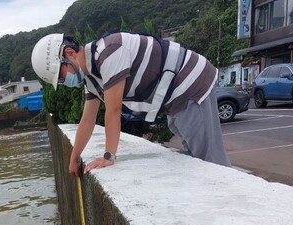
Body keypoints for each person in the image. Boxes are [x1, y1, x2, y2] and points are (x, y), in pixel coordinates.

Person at [31, 32, 231, 176]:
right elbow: (87, 120)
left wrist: (109, 156)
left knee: (210, 160)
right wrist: (74, 158)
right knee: (196, 156)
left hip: (191, 85)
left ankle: (230, 209)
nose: (64, 83)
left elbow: (113, 110)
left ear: (69, 54)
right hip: (174, 97)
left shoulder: (108, 52)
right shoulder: (91, 78)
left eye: (60, 76)